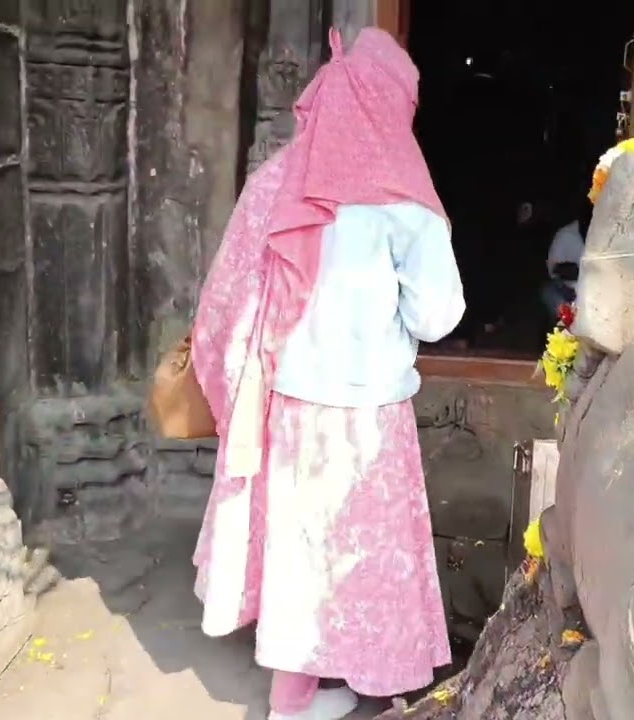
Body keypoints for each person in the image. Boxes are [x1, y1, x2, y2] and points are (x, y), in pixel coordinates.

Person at [189, 28, 463, 720]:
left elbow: (229, 300)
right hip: (368, 411)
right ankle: (360, 681)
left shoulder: (273, 181)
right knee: (363, 548)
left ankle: (296, 695)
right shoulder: (405, 201)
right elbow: (438, 316)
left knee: (301, 548)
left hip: (288, 403)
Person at [541, 201, 591, 316]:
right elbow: (553, 270)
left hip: (601, 289)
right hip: (571, 291)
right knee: (548, 291)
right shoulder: (565, 235)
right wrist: (578, 271)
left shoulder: (610, 233)